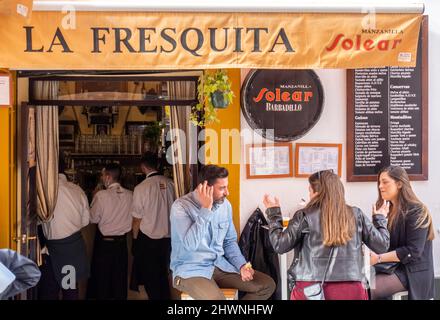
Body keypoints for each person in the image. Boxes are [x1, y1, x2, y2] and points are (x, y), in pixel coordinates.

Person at [263, 169, 390, 300]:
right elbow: (382, 246)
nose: (309, 195)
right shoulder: (356, 214)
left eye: (310, 191)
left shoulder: (304, 216)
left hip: (310, 289)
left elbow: (280, 245)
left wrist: (274, 214)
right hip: (352, 288)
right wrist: (380, 219)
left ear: (317, 192)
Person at [170, 165, 276, 300]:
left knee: (267, 285)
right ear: (205, 188)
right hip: (190, 271)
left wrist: (241, 265)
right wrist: (206, 210)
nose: (227, 192)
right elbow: (190, 245)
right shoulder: (180, 207)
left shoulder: (225, 205)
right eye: (222, 188)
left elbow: (229, 242)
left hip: (219, 265)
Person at [369, 166, 435, 300]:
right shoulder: (388, 211)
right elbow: (380, 245)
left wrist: (379, 258)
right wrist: (379, 220)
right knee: (360, 284)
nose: (380, 186)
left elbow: (413, 251)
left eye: (385, 182)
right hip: (394, 268)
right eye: (379, 183)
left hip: (414, 272)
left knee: (368, 290)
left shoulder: (417, 211)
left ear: (399, 183)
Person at [38, 157, 90, 300]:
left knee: (49, 292)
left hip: (51, 252)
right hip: (72, 251)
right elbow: (85, 221)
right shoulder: (77, 189)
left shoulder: (44, 191)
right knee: (69, 290)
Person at [131, 152, 176, 300]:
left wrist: (135, 240)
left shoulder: (141, 188)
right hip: (169, 239)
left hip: (148, 240)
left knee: (151, 277)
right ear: (157, 165)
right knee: (164, 274)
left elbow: (137, 219)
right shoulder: (172, 184)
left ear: (143, 167)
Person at [88, 163, 133, 300]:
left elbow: (93, 218)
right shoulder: (131, 195)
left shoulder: (101, 196)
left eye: (102, 175)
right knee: (120, 280)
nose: (101, 178)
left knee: (103, 281)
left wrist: (93, 198)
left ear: (108, 177)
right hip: (122, 244)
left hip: (104, 245)